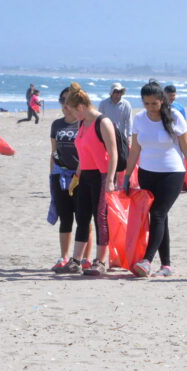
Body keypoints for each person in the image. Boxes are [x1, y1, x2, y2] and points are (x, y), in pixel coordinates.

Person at [124, 81, 187, 277]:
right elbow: (135, 149)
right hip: (147, 173)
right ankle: (166, 265)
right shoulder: (139, 119)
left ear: (162, 101)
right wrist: (127, 175)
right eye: (146, 103)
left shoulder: (174, 117)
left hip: (172, 173)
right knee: (159, 217)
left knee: (158, 214)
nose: (150, 108)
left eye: (154, 104)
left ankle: (147, 261)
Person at [61, 82, 119, 276]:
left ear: (82, 107)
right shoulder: (81, 122)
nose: (72, 116)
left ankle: (100, 261)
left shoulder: (103, 122)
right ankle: (76, 260)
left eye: (73, 111)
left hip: (102, 176)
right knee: (82, 217)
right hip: (85, 175)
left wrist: (110, 180)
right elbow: (83, 152)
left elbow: (113, 153)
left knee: (100, 217)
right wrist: (77, 175)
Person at [49, 87, 93, 272]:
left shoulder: (85, 124)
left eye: (70, 102)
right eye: (64, 102)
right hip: (61, 175)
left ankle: (85, 258)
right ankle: (64, 256)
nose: (67, 106)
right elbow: (53, 151)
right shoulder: (57, 125)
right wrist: (52, 174)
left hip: (82, 177)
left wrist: (81, 173)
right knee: (65, 218)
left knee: (83, 219)